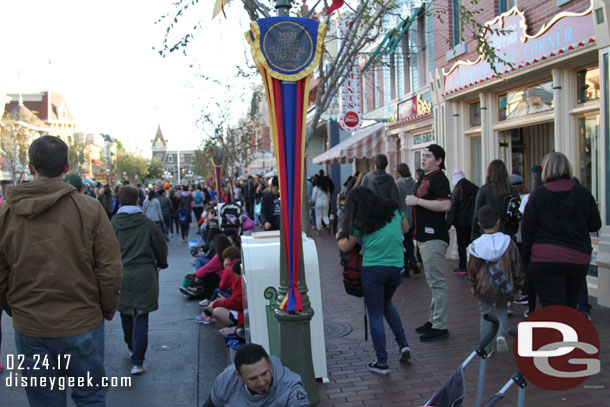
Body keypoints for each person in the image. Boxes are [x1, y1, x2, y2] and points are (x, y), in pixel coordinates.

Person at [0, 135, 123, 405]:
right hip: (82, 321)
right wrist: (104, 309)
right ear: (67, 167)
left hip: (32, 326)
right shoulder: (89, 209)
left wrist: (16, 309)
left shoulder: (7, 213)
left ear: (32, 167)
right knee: (90, 396)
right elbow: (110, 269)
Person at [337, 186, 411, 375]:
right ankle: (403, 345)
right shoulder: (393, 209)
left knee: (375, 312)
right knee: (386, 303)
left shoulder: (361, 219)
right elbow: (406, 228)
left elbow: (346, 247)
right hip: (396, 268)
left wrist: (339, 236)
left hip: (373, 270)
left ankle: (382, 361)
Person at [522, 152, 601, 308]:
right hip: (577, 257)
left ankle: (556, 331)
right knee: (570, 305)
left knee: (552, 307)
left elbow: (528, 230)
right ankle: (567, 329)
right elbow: (595, 224)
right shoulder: (583, 194)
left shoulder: (538, 195)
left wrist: (527, 259)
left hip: (545, 258)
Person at [111, 186, 168, 375]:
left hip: (121, 273)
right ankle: (138, 361)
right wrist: (162, 262)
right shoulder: (147, 223)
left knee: (125, 312)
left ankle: (130, 344)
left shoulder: (113, 224)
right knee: (142, 316)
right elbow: (160, 246)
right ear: (138, 200)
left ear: (119, 200)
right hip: (145, 274)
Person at [406, 144, 452, 342]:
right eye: (422, 156)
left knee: (438, 283)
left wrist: (417, 202)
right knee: (433, 282)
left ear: (439, 160)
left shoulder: (439, 178)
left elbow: (445, 204)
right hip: (424, 237)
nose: (423, 159)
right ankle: (433, 320)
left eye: (428, 156)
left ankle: (440, 325)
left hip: (434, 237)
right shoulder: (425, 178)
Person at [467, 205, 524, 355]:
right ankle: (500, 335)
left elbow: (472, 268)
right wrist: (518, 286)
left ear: (479, 224)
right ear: (498, 222)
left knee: (485, 312)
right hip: (504, 284)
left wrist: (473, 284)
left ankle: (486, 347)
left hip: (484, 286)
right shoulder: (508, 242)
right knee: (502, 308)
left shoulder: (476, 245)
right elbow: (516, 264)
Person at [203, 343, 308, 407]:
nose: (261, 382)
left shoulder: (291, 386)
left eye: (264, 373)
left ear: (269, 363)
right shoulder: (225, 380)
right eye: (253, 378)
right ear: (239, 376)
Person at [472, 160, 520, 240]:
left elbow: (477, 215)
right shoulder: (512, 191)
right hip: (507, 233)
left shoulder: (484, 190)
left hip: (487, 234)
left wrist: (474, 236)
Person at [446, 169, 479, 275]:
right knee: (473, 243)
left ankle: (462, 266)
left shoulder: (457, 190)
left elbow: (453, 209)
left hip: (461, 223)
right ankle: (477, 265)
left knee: (461, 245)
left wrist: (447, 224)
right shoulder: (474, 188)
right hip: (473, 221)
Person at [394, 162, 420, 276]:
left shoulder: (397, 184)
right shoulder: (415, 183)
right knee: (409, 242)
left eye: (395, 171)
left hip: (402, 218)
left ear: (399, 172)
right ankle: (412, 262)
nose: (394, 173)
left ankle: (406, 266)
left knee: (402, 243)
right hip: (413, 217)